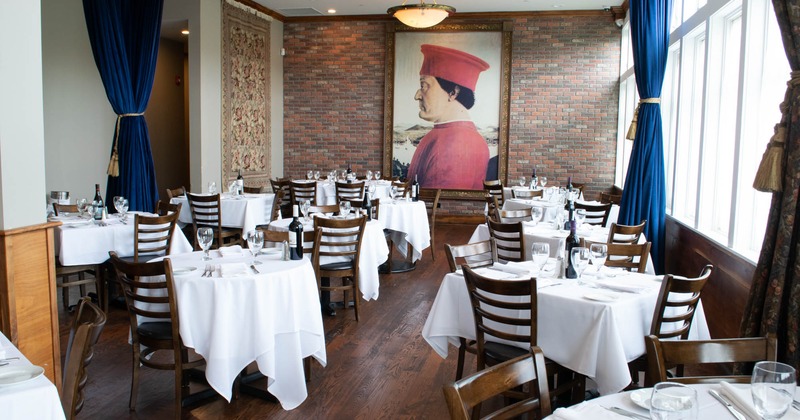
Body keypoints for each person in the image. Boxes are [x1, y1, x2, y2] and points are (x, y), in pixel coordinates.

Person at [406, 44, 491, 190]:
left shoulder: (456, 143)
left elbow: (439, 204)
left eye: (424, 85)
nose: (417, 95)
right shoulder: (449, 134)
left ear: (453, 93)